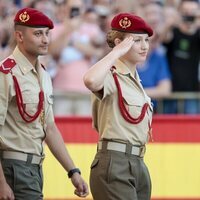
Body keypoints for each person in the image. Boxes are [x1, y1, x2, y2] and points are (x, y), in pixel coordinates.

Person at [0, 7, 89, 200]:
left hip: (34, 168)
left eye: (47, 33)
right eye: (38, 33)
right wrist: (1, 183)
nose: (46, 39)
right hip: (12, 169)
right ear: (19, 36)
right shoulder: (5, 73)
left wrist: (73, 171)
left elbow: (49, 128)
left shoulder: (43, 74)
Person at [84, 13, 154, 200]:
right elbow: (90, 80)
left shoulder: (135, 80)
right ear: (119, 43)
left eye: (146, 40)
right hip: (115, 162)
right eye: (136, 41)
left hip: (137, 161)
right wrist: (116, 53)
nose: (144, 46)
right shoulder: (110, 74)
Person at [161, 0, 200, 113]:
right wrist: (170, 23)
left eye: (192, 12)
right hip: (170, 92)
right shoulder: (173, 31)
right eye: (185, 12)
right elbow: (162, 39)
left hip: (192, 93)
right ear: (179, 13)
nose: (189, 15)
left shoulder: (198, 34)